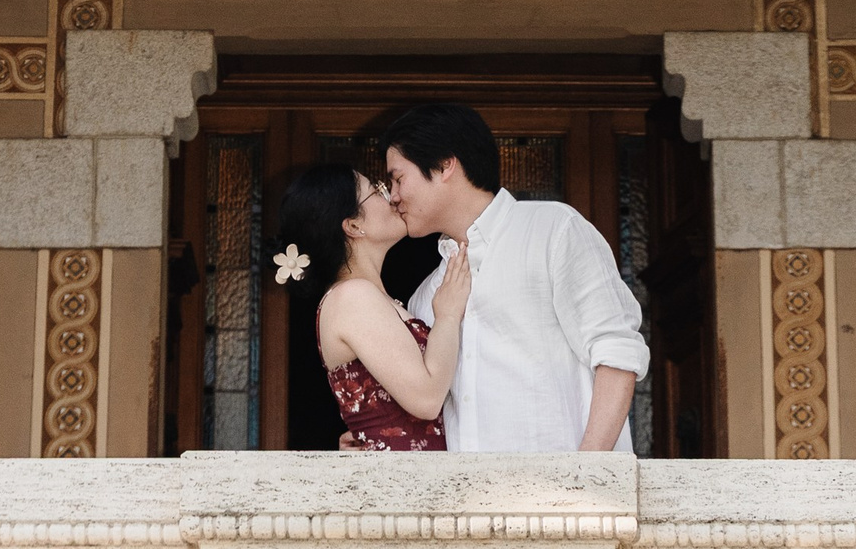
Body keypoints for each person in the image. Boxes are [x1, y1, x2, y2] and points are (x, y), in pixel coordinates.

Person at [382, 102, 648, 453]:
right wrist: (372, 441)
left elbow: (616, 351)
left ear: (445, 165)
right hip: (467, 487)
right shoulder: (426, 294)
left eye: (398, 178)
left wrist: (586, 470)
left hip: (567, 484)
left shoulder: (553, 230)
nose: (393, 197)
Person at [272, 160, 471, 452]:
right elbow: (427, 399)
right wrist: (449, 316)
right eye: (376, 191)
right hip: (403, 478)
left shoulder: (364, 296)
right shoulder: (352, 296)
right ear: (354, 225)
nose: (393, 197)